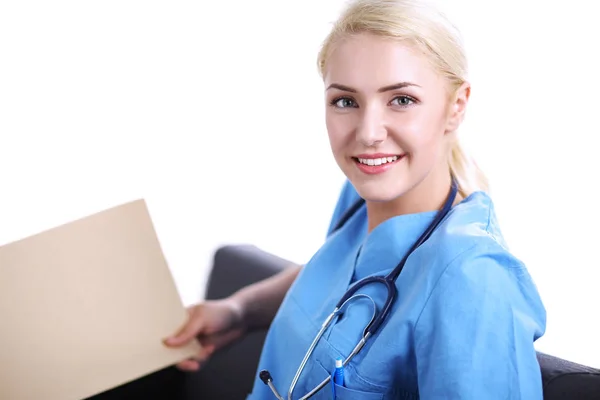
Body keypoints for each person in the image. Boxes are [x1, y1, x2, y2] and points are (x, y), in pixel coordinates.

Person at [165, 0, 547, 398]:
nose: (368, 133)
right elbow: (340, 280)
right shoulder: (362, 194)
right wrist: (239, 312)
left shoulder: (474, 279)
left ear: (456, 106)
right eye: (346, 101)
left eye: (401, 100)